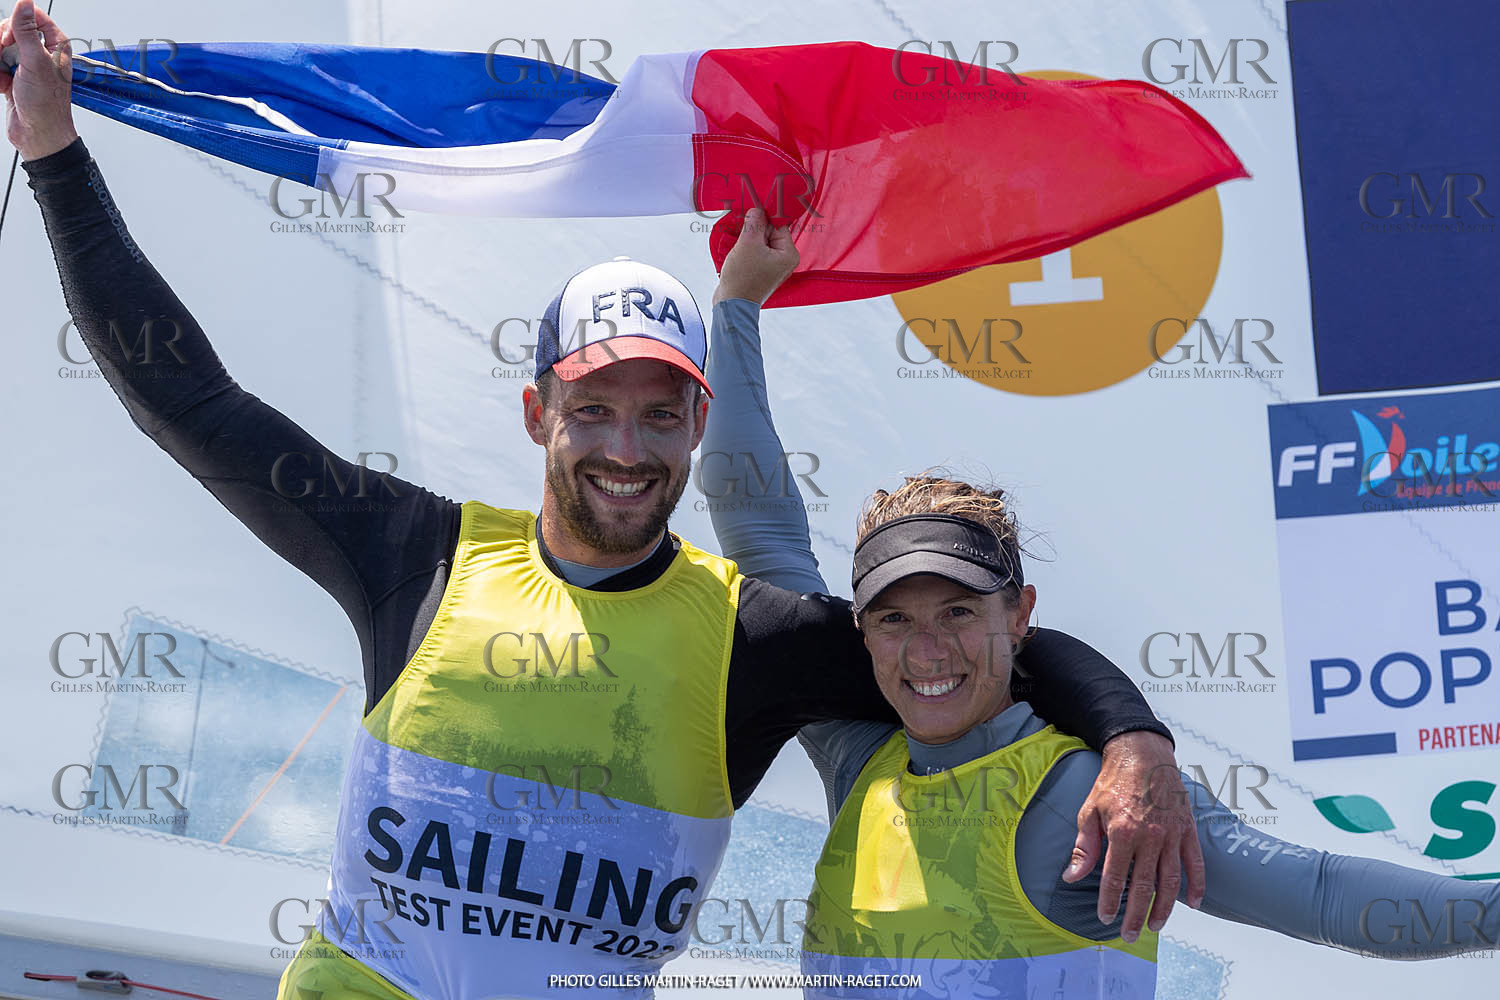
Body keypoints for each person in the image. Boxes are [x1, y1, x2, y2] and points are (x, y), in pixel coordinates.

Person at [4, 4, 1206, 998]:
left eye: (660, 412)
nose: (625, 448)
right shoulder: (414, 553)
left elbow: (987, 645)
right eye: (593, 409)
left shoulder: (757, 638)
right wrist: (55, 154)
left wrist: (1137, 742)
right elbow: (187, 399)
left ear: (695, 425)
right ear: (539, 416)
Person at [702, 216, 1500, 999]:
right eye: (895, 619)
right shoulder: (857, 757)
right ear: (864, 633)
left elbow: (1321, 894)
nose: (927, 651)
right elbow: (761, 529)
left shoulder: (1103, 797)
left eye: (957, 612)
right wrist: (737, 305)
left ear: (1019, 617)